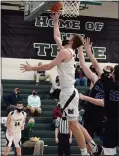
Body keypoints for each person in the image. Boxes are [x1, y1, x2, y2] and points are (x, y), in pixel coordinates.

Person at [20, 13, 100, 155]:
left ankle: (85, 152)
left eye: (69, 36)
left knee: (73, 125)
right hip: (66, 92)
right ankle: (91, 145)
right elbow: (57, 37)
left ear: (72, 41)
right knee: (73, 123)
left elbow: (48, 67)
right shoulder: (67, 50)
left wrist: (32, 68)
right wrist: (56, 22)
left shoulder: (65, 52)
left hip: (68, 92)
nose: (66, 36)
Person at [85, 37, 119, 155]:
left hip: (111, 122)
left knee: (109, 152)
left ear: (114, 75)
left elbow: (96, 65)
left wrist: (88, 51)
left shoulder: (108, 83)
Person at [78, 38, 105, 142]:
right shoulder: (98, 80)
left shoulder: (113, 89)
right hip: (89, 115)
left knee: (108, 144)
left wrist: (85, 97)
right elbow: (84, 65)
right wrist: (81, 48)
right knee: (88, 141)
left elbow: (103, 102)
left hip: (102, 117)